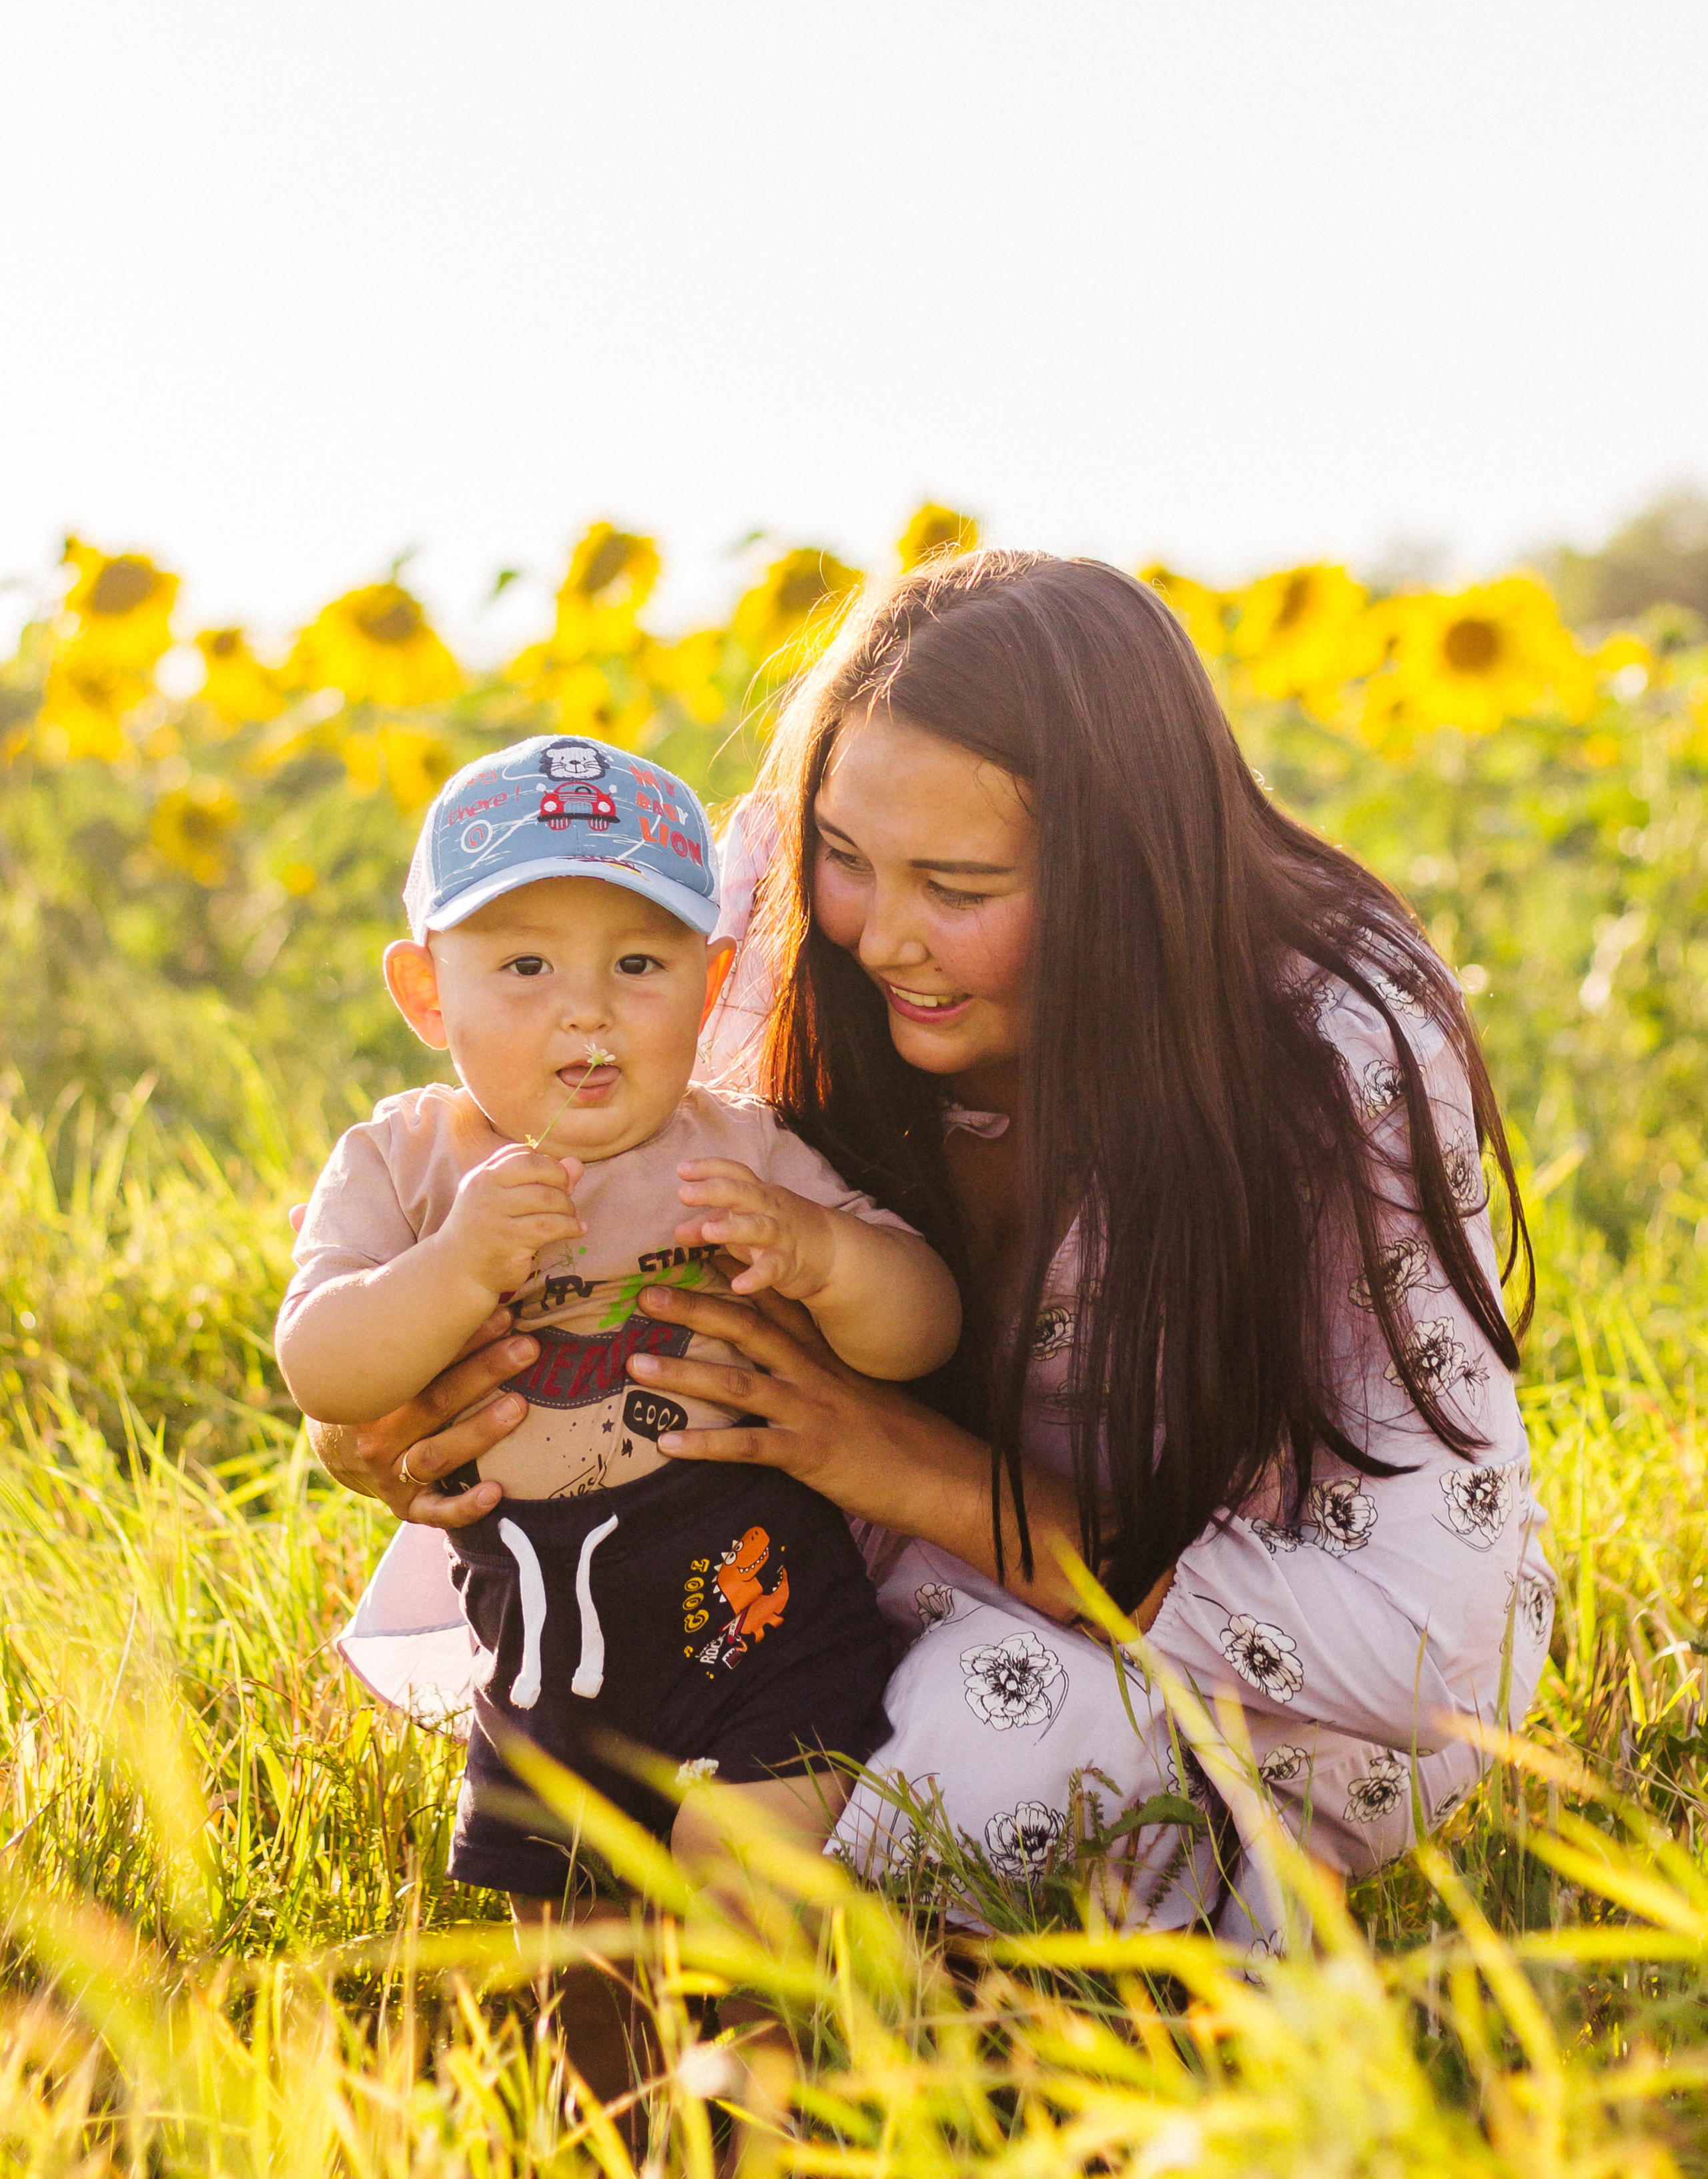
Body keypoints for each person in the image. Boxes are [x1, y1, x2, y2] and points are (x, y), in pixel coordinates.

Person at [309, 554, 1555, 1948]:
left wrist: (894, 1462)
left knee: (977, 1762)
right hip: (798, 1579)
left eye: (958, 885)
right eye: (840, 856)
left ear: (1126, 879)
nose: (878, 935)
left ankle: (1073, 1969)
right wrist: (397, 1404)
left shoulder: (1328, 1048)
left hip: (1231, 1651)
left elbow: (1428, 1654)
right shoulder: (756, 923)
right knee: (690, 1787)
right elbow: (526, 1136)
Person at [277, 733, 959, 1911]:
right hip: (546, 1652)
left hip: (762, 1614)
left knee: (741, 1888)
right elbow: (324, 1368)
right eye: (527, 966)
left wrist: (824, 1252)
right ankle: (624, 2091)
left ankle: (760, 2083)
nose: (586, 1010)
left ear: (712, 977)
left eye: (641, 963)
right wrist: (456, 1265)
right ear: (427, 994)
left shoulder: (738, 1144)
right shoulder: (404, 1165)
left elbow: (923, 1330)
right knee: (576, 1956)